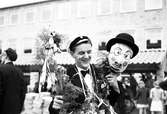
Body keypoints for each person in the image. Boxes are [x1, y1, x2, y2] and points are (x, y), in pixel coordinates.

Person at [95, 33, 139, 114]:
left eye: (126, 56)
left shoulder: (120, 86)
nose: (119, 61)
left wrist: (115, 87)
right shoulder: (94, 73)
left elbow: (120, 106)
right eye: (118, 52)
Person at [0, 48, 27, 114]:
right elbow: (23, 91)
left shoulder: (1, 69)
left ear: (6, 56)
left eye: (1, 55)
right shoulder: (20, 72)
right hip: (16, 110)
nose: (0, 57)